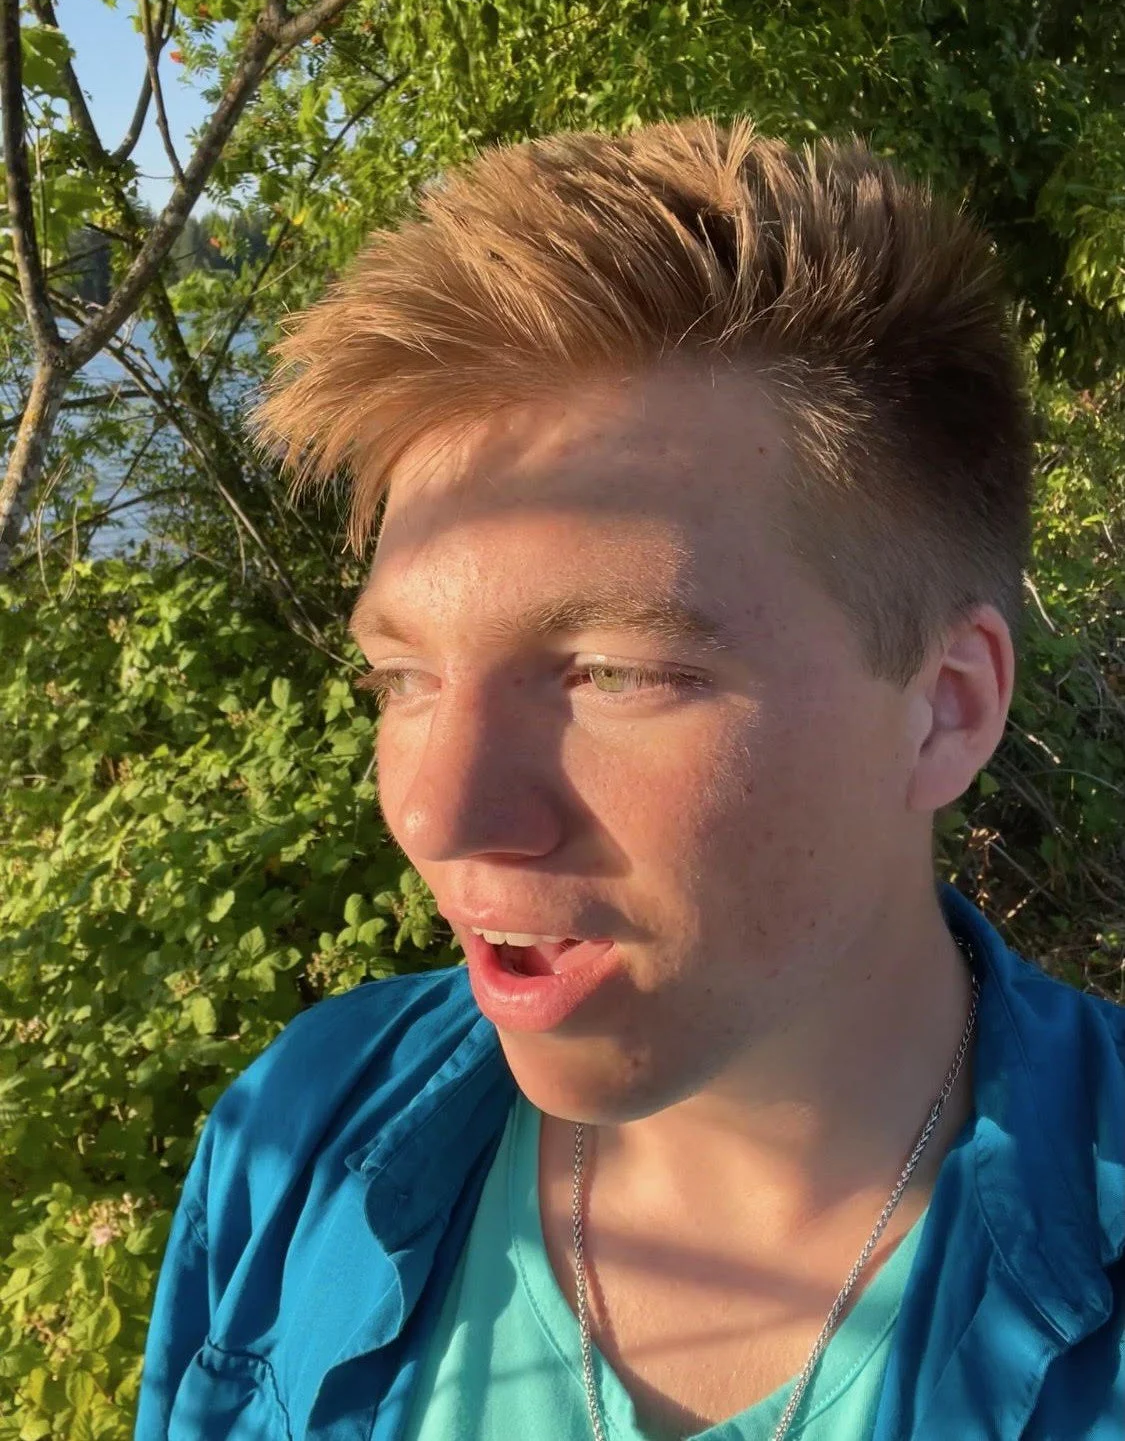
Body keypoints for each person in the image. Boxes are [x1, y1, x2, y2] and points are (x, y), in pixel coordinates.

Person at [134, 119, 1125, 1441]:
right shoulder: (301, 1135)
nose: (437, 814)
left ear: (945, 709)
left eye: (614, 673)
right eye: (402, 676)